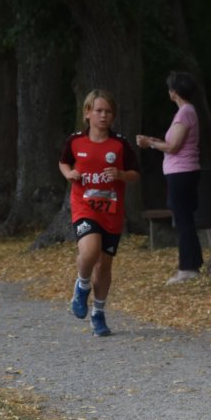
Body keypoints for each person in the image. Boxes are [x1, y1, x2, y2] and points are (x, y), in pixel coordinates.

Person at [59, 89, 141, 337]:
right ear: (87, 113)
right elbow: (64, 161)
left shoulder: (120, 144)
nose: (103, 116)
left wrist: (121, 174)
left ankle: (98, 313)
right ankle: (82, 285)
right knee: (90, 251)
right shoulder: (75, 141)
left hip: (111, 211)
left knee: (104, 265)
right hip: (84, 206)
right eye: (98, 111)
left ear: (113, 116)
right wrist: (69, 174)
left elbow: (135, 174)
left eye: (108, 112)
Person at [136, 71, 204, 285]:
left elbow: (173, 146)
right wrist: (154, 141)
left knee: (183, 219)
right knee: (184, 218)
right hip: (182, 171)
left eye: (170, 89)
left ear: (174, 92)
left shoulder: (185, 113)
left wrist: (150, 144)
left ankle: (187, 268)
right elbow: (172, 143)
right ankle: (193, 262)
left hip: (182, 172)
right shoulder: (186, 112)